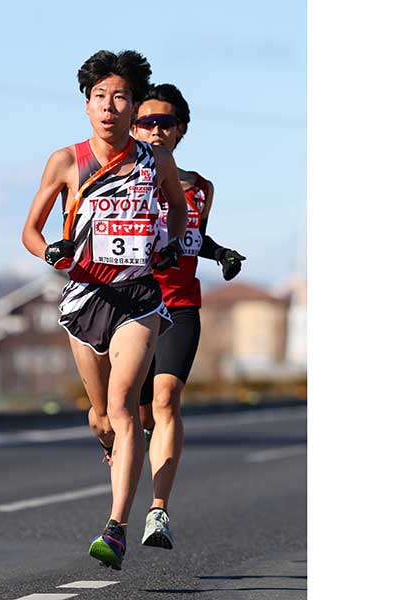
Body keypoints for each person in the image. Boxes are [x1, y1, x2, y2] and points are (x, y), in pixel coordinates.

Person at [21, 51, 188, 570]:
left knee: (124, 406)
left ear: (134, 105)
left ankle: (115, 527)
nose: (109, 107)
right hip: (85, 298)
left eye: (120, 97)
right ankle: (113, 445)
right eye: (99, 97)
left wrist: (169, 243)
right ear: (86, 105)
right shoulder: (67, 161)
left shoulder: (155, 161)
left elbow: (179, 212)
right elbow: (30, 230)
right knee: (102, 419)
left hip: (139, 298)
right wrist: (50, 251)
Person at [130, 83, 247, 550]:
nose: (156, 131)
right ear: (134, 127)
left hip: (180, 306)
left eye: (166, 123)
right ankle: (120, 437)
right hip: (129, 308)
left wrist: (221, 253)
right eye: (147, 122)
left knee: (167, 399)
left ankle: (158, 511)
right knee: (123, 416)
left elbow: (194, 234)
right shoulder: (119, 179)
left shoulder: (201, 187)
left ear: (181, 130)